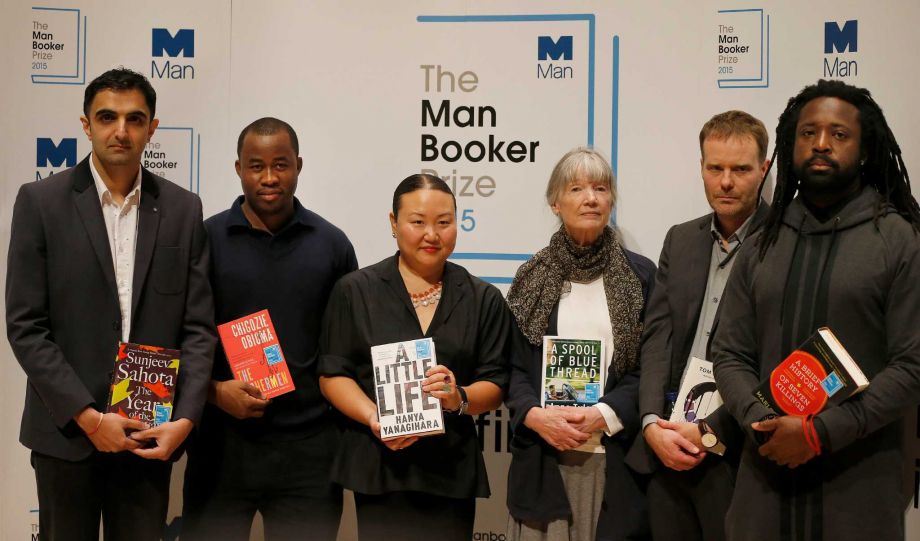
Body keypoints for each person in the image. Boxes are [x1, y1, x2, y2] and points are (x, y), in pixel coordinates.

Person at [5, 68, 216, 540]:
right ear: (86, 124)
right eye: (107, 117)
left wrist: (184, 419)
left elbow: (199, 327)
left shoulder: (183, 209)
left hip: (147, 433)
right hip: (66, 434)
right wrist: (89, 417)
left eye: (134, 119)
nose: (120, 130)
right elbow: (25, 325)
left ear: (152, 128)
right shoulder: (41, 202)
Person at [711, 79, 920, 540]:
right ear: (790, 146)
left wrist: (819, 433)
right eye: (808, 133)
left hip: (859, 488)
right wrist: (759, 421)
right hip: (762, 489)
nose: (821, 144)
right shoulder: (763, 240)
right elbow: (729, 353)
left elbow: (912, 366)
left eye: (839, 134)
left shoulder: (898, 240)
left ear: (865, 149)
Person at [181, 118, 357, 540]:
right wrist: (213, 392)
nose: (269, 178)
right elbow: (180, 334)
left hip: (310, 450)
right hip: (220, 445)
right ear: (238, 169)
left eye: (280, 165)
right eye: (255, 166)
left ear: (298, 165)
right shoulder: (205, 240)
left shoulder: (332, 244)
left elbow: (347, 347)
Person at [317, 174, 511, 541]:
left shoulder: (482, 297)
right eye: (418, 222)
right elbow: (332, 374)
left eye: (444, 222)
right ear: (394, 224)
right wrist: (374, 417)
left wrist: (459, 397)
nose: (432, 235)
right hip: (379, 466)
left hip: (449, 467)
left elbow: (497, 382)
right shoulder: (355, 291)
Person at [627, 111, 770, 541]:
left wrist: (711, 431)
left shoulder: (783, 245)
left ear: (764, 170)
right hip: (668, 446)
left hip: (740, 455)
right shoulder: (680, 239)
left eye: (741, 169)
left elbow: (776, 359)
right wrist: (652, 422)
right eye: (715, 168)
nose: (726, 182)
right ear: (702, 169)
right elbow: (658, 337)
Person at [505, 147, 656, 541]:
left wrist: (603, 413)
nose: (590, 198)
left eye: (601, 188)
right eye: (576, 188)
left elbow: (653, 367)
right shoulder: (532, 277)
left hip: (616, 459)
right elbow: (512, 366)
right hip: (545, 458)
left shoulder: (641, 276)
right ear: (555, 202)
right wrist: (536, 416)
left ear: (611, 200)